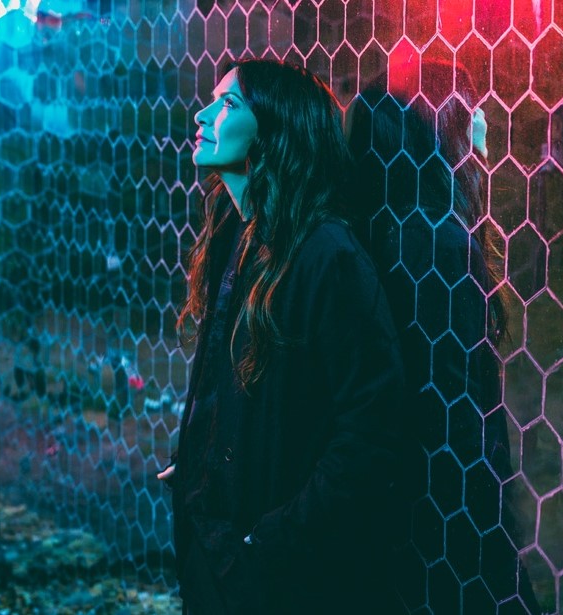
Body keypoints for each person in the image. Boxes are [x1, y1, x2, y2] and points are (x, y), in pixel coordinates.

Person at [157, 58, 406, 614]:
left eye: (228, 103)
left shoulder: (327, 255)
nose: (202, 114)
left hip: (279, 577)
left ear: (275, 128)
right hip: (218, 551)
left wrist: (271, 542)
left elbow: (370, 432)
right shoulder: (236, 234)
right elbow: (229, 382)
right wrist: (198, 463)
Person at [346, 67, 541, 613]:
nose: (483, 118)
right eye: (470, 105)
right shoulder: (437, 240)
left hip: (400, 517)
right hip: (447, 529)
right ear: (439, 126)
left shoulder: (386, 227)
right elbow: (457, 417)